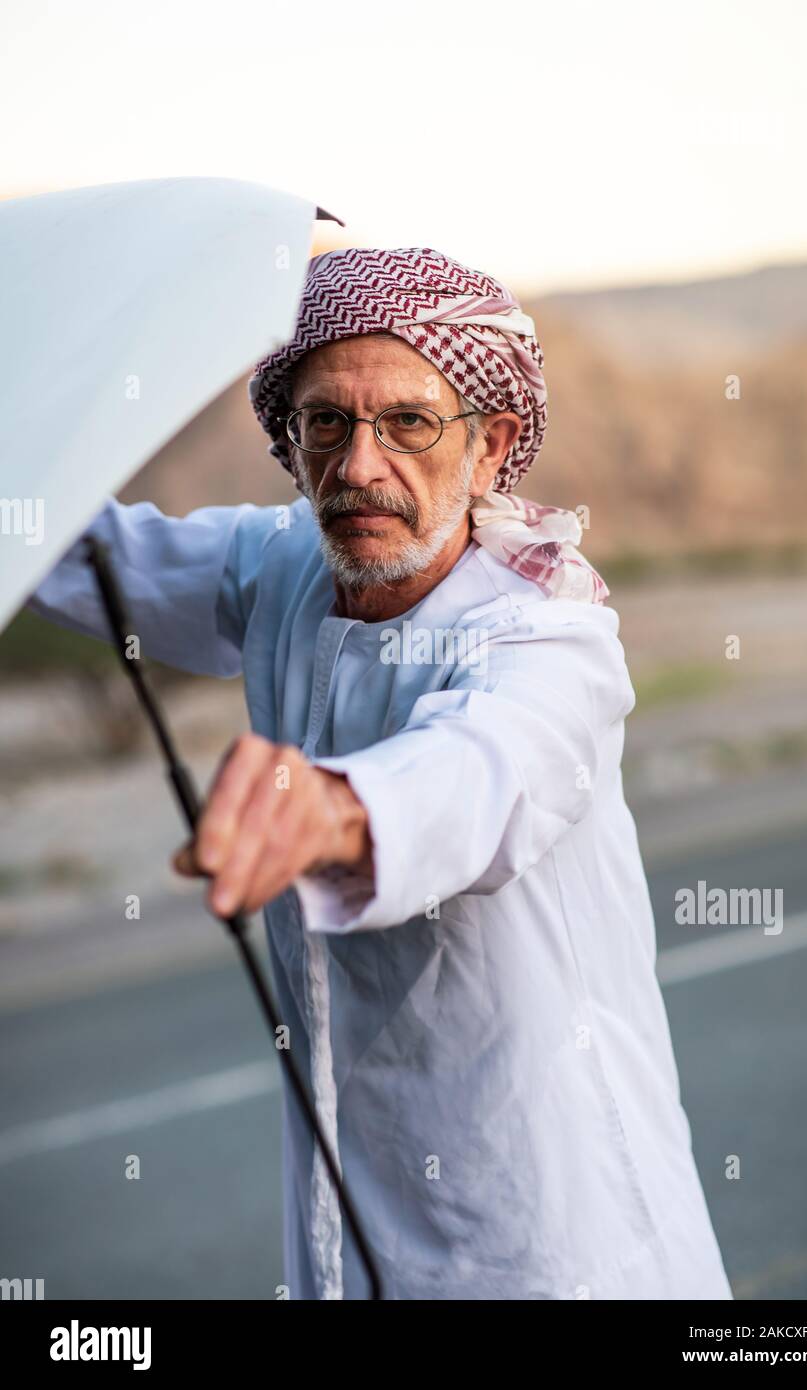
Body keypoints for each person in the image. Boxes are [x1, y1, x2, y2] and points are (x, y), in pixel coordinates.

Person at [29, 246, 732, 1301]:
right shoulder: (286, 568)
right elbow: (85, 554)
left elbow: (482, 774)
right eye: (327, 424)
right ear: (291, 439)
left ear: (492, 447)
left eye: (408, 421)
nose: (359, 465)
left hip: (559, 1248)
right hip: (350, 1239)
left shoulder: (548, 639)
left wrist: (332, 810)